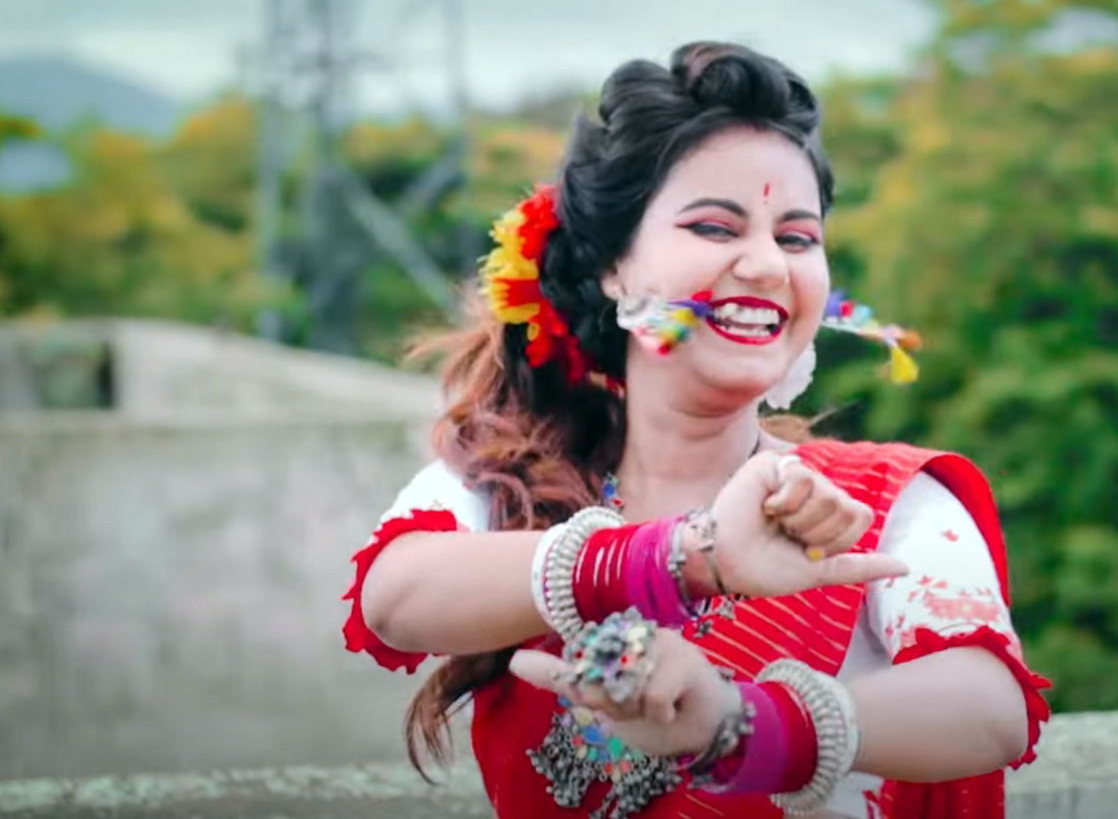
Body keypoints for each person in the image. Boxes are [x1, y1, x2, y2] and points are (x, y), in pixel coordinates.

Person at [341, 41, 1051, 819]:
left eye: (797, 238)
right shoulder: (515, 483)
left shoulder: (876, 505)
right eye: (715, 228)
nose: (767, 266)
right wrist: (682, 557)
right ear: (614, 266)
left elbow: (989, 707)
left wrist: (737, 725)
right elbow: (394, 599)